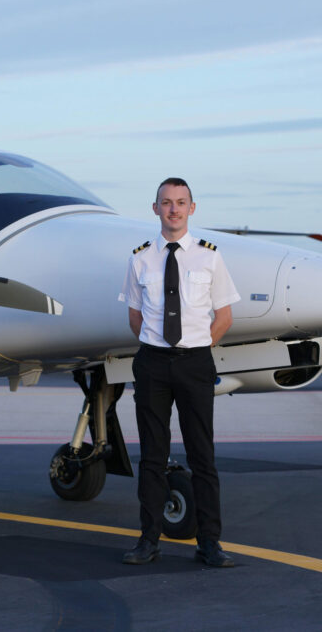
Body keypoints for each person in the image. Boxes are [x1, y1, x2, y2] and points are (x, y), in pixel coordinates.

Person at [118, 177, 241, 568]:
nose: (173, 209)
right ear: (155, 208)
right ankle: (148, 541)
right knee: (152, 458)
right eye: (166, 202)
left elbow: (224, 316)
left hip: (194, 363)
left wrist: (198, 347)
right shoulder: (140, 258)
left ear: (192, 208)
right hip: (153, 363)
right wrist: (159, 347)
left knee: (203, 456)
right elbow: (135, 317)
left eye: (180, 202)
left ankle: (209, 543)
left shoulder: (210, 257)